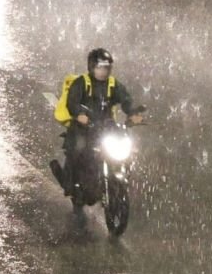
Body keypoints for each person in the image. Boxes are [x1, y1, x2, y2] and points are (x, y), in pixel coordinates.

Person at [50, 48, 143, 200]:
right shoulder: (81, 83)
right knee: (77, 148)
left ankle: (119, 175)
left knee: (126, 147)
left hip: (106, 127)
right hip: (83, 127)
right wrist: (80, 114)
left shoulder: (113, 84)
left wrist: (133, 113)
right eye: (100, 67)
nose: (103, 71)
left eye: (107, 67)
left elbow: (126, 100)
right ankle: (68, 182)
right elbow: (72, 102)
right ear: (92, 67)